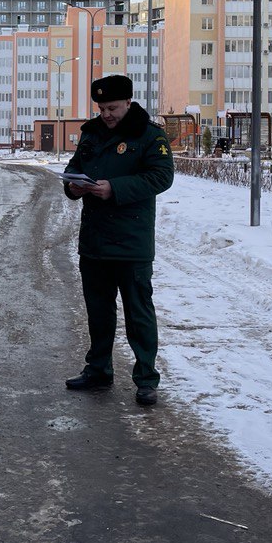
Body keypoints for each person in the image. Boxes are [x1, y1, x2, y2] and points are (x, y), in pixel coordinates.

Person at [62, 74, 174, 407]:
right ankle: (98, 369)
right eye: (101, 108)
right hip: (95, 241)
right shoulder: (91, 133)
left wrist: (115, 188)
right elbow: (74, 166)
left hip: (131, 241)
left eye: (112, 108)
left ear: (128, 102)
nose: (106, 114)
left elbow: (162, 176)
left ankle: (146, 379)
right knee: (98, 312)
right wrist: (73, 186)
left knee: (138, 314)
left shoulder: (150, 135)